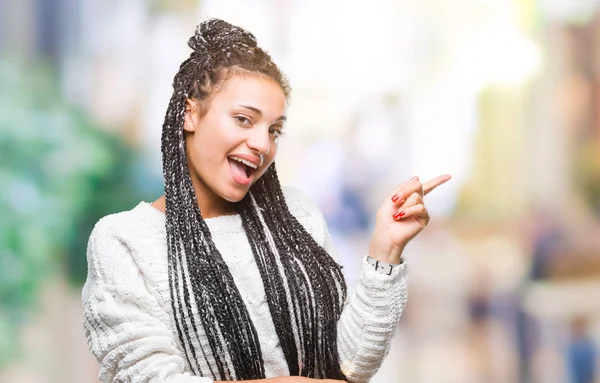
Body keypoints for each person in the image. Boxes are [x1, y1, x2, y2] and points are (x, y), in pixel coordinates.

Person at [82, 19, 451, 383]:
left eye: (274, 129)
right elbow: (148, 378)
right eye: (244, 120)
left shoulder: (298, 214)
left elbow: (350, 366)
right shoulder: (123, 240)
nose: (263, 144)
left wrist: (385, 248)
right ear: (190, 114)